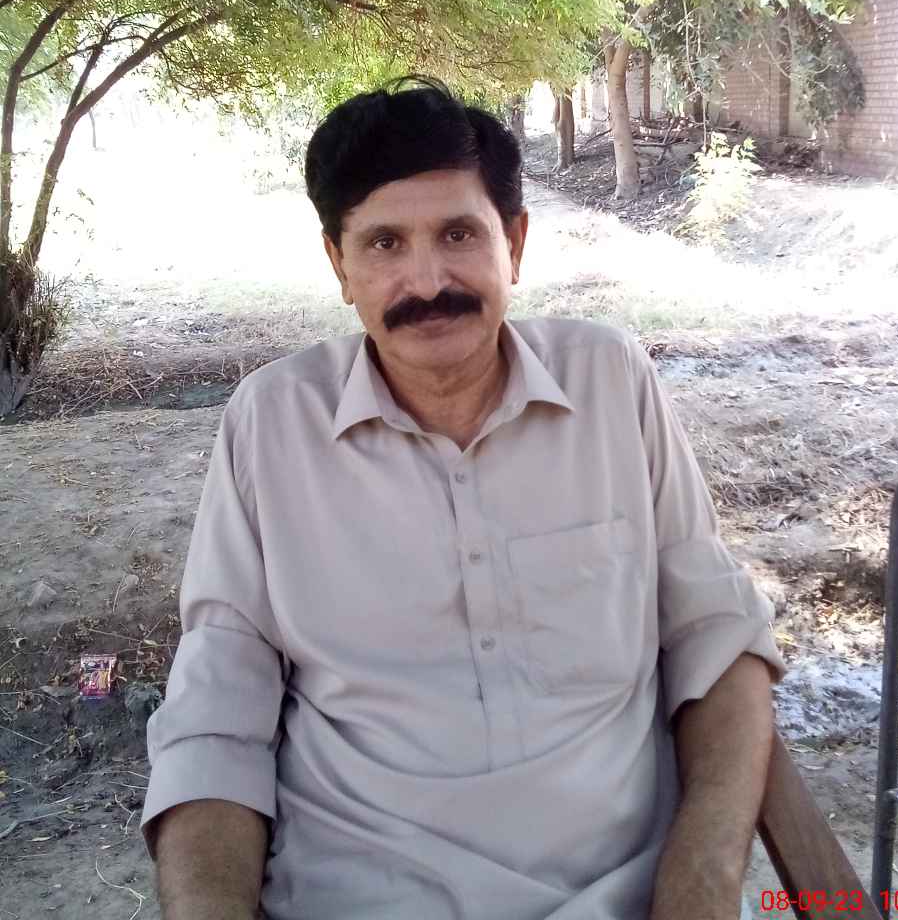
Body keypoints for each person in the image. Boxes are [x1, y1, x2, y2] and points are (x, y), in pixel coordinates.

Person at [141, 78, 786, 920]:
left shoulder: (610, 380)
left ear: (513, 243)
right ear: (339, 266)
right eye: (384, 244)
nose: (427, 280)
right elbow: (217, 703)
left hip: (622, 894)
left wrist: (702, 876)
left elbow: (715, 634)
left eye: (458, 234)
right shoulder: (271, 422)